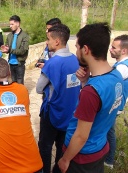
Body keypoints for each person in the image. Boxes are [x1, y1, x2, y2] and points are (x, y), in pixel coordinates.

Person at [58, 23, 124, 173]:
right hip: (100, 148)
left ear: (85, 49)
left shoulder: (91, 92)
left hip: (81, 157)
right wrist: (85, 81)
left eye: (77, 47)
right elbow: (105, 108)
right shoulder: (117, 76)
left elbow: (81, 135)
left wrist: (65, 159)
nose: (76, 52)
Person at [36, 24, 80, 173]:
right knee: (62, 146)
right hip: (70, 112)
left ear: (56, 42)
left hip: (52, 113)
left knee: (45, 146)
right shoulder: (75, 59)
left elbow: (38, 89)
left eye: (48, 39)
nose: (46, 42)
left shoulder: (52, 63)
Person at [105, 34, 128, 169]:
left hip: (115, 106)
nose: (110, 49)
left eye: (114, 47)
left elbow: (108, 82)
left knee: (109, 133)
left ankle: (108, 161)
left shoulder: (123, 68)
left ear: (123, 50)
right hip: (116, 104)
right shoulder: (121, 64)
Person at [0, 15, 29, 84]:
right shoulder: (9, 35)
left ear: (18, 24)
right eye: (10, 24)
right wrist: (5, 49)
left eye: (12, 24)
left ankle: (21, 95)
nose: (10, 26)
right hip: (11, 63)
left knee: (20, 83)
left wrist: (9, 50)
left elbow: (23, 51)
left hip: (19, 64)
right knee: (13, 83)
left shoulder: (25, 36)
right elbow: (7, 46)